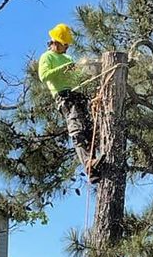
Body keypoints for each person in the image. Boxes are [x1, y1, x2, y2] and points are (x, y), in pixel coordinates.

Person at [38, 23, 104, 181]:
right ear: (56, 42)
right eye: (65, 44)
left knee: (90, 129)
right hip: (64, 97)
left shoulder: (67, 57)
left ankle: (94, 166)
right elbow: (44, 76)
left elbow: (75, 77)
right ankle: (88, 163)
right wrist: (63, 69)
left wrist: (87, 72)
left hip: (77, 94)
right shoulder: (47, 57)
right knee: (77, 131)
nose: (67, 48)